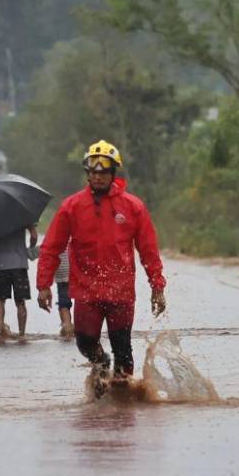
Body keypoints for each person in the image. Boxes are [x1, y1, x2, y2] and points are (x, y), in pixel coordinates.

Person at [36, 140, 166, 390]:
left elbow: (149, 252)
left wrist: (157, 286)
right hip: (86, 291)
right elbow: (51, 248)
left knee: (123, 350)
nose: (97, 176)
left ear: (113, 173)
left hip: (121, 292)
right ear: (87, 173)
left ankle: (122, 404)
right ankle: (100, 362)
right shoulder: (71, 207)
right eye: (93, 172)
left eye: (103, 171)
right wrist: (43, 285)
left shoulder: (133, 207)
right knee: (85, 342)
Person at [0, 223, 38, 340]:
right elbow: (34, 236)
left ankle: (0, 329)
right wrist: (30, 247)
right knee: (20, 302)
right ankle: (22, 334)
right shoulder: (23, 212)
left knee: (0, 300)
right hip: (19, 263)